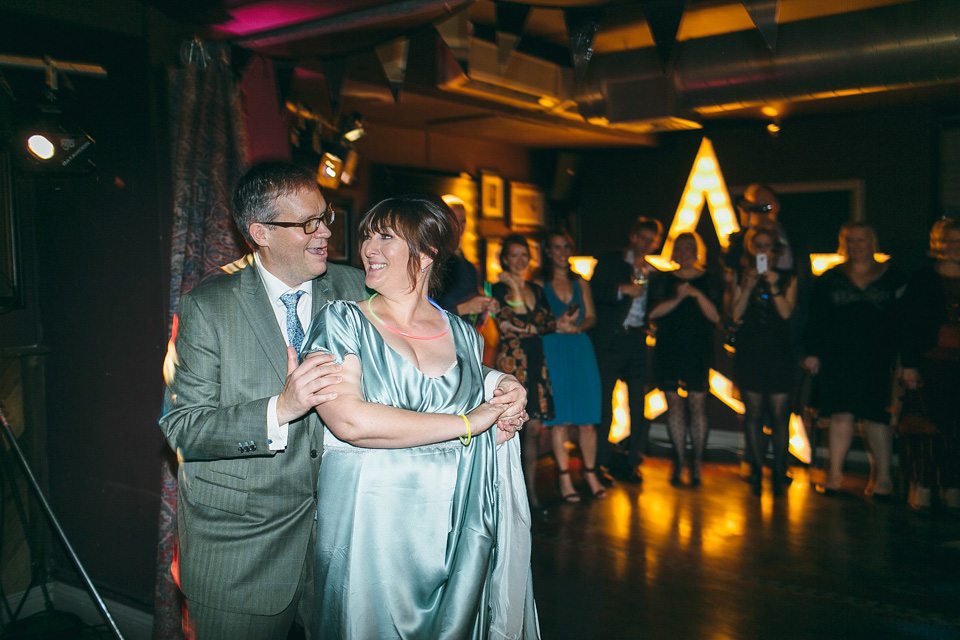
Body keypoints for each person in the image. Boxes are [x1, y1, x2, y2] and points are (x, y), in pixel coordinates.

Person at [160, 163, 526, 639]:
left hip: (351, 539)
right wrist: (281, 409)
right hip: (245, 546)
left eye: (326, 217)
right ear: (261, 232)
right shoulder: (208, 306)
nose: (327, 232)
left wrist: (501, 380)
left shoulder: (358, 285)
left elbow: (423, 339)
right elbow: (182, 427)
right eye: (309, 223)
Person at [301, 195, 540, 639]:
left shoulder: (466, 336)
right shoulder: (342, 321)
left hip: (455, 526)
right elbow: (349, 421)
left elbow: (475, 388)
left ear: (427, 252)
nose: (369, 247)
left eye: (386, 236)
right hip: (370, 527)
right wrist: (470, 424)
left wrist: (505, 390)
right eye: (367, 235)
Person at [803, 222, 906, 499]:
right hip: (838, 358)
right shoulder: (829, 279)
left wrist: (903, 360)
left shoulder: (893, 277)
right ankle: (835, 476)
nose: (855, 246)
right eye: (850, 241)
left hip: (877, 358)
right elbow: (816, 320)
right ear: (843, 244)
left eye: (861, 240)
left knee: (876, 418)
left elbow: (903, 323)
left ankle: (883, 479)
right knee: (840, 416)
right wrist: (812, 353)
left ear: (872, 242)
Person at [589, 217, 664, 484]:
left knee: (638, 405)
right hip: (611, 341)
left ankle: (632, 462)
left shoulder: (653, 271)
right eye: (642, 238)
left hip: (636, 342)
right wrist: (622, 290)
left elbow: (652, 306)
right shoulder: (611, 260)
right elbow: (595, 290)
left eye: (651, 241)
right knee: (604, 407)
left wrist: (650, 323)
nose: (646, 244)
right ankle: (598, 466)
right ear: (633, 236)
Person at [648, 232, 722, 487]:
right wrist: (678, 297)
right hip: (668, 350)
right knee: (674, 407)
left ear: (697, 250)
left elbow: (715, 317)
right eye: (680, 248)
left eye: (690, 248)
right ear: (674, 252)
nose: (685, 252)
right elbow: (653, 313)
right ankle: (680, 461)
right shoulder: (662, 280)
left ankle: (698, 463)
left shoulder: (710, 280)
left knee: (697, 406)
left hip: (698, 351)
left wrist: (696, 295)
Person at [729, 227, 798, 496]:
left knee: (781, 415)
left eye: (768, 246)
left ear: (776, 250)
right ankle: (756, 468)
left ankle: (780, 468)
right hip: (751, 351)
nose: (763, 251)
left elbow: (786, 313)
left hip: (779, 352)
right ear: (751, 248)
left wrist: (773, 286)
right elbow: (735, 314)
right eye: (758, 246)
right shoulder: (740, 275)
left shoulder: (789, 277)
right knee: (753, 414)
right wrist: (747, 287)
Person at [538, 229, 606, 501]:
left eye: (566, 246)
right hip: (553, 348)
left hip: (579, 348)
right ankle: (564, 478)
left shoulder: (581, 283)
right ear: (548, 251)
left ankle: (590, 473)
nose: (562, 251)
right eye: (556, 247)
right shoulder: (539, 284)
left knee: (588, 419)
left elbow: (592, 317)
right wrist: (557, 325)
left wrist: (577, 326)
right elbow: (536, 318)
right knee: (560, 420)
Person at [492, 233, 557, 515]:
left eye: (524, 255)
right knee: (509, 429)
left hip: (537, 361)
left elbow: (548, 322)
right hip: (512, 364)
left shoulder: (537, 288)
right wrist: (518, 302)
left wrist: (526, 325)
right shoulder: (497, 288)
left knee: (533, 432)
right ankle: (508, 498)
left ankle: (531, 496)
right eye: (514, 255)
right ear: (505, 259)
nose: (519, 260)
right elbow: (508, 322)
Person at [900, 217, 960, 512]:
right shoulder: (923, 279)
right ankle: (921, 486)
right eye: (950, 241)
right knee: (924, 429)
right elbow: (908, 325)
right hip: (929, 364)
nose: (955, 248)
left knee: (956, 432)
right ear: (938, 244)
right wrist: (909, 365)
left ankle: (952, 488)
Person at [436, 195, 499, 324]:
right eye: (454, 219)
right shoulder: (432, 263)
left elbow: (474, 318)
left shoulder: (470, 268)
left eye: (463, 221)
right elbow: (423, 315)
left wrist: (485, 307)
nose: (459, 226)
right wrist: (464, 308)